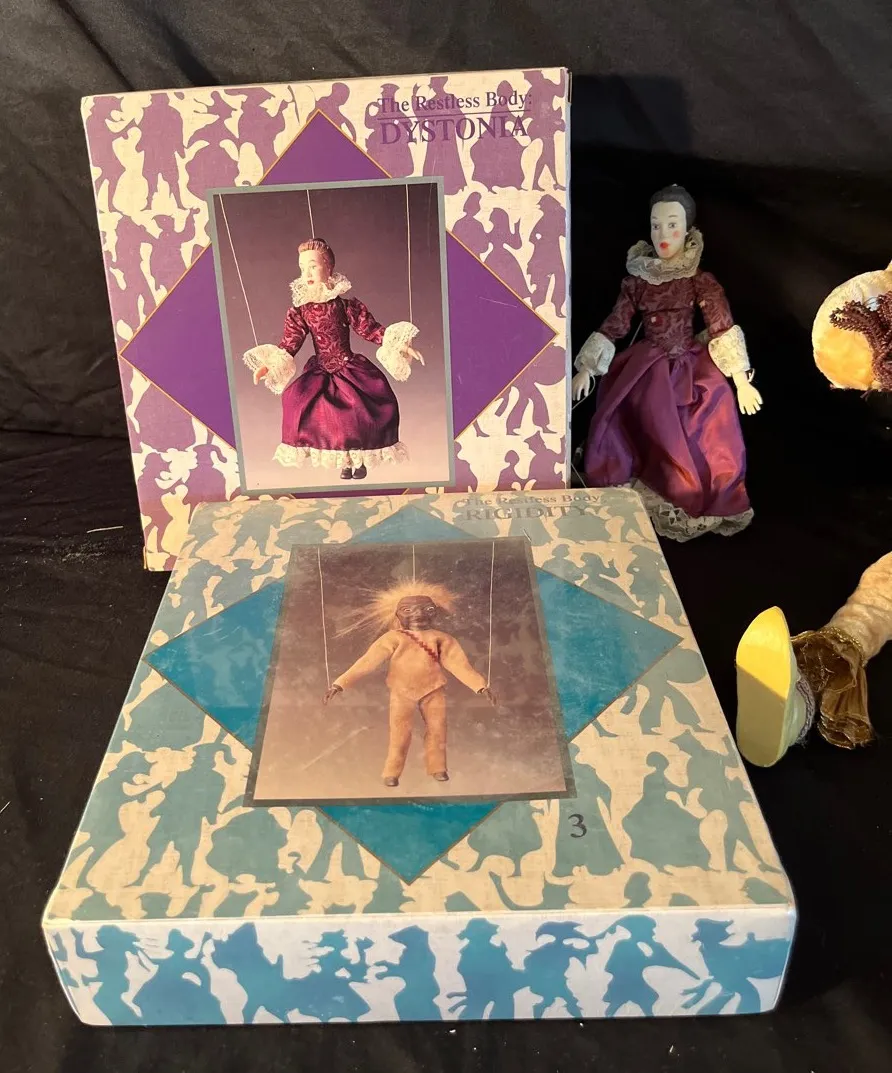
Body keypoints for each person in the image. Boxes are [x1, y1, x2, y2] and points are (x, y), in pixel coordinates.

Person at [573, 185, 762, 541]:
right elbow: (617, 322)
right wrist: (587, 368)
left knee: (706, 422)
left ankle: (692, 492)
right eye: (656, 225)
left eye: (672, 224)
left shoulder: (698, 280)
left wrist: (741, 381)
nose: (663, 233)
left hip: (690, 366)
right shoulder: (638, 282)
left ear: (688, 230)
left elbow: (720, 324)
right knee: (636, 416)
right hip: (648, 365)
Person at [245, 238, 423, 480]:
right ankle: (344, 462)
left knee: (358, 412)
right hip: (320, 370)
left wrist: (400, 344)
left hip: (348, 366)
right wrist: (268, 365)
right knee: (300, 403)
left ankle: (358, 461)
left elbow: (370, 330)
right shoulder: (301, 311)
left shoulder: (345, 306)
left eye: (313, 266)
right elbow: (290, 342)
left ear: (329, 268)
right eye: (302, 267)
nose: (307, 273)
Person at [324, 582, 497, 786]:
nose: (418, 614)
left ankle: (438, 768)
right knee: (399, 732)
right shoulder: (393, 638)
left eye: (427, 609)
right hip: (401, 691)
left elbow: (458, 664)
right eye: (408, 610)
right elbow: (367, 662)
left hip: (433, 689)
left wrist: (480, 685)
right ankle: (392, 772)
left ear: (435, 613)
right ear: (397, 614)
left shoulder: (441, 638)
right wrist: (340, 684)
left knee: (438, 729)